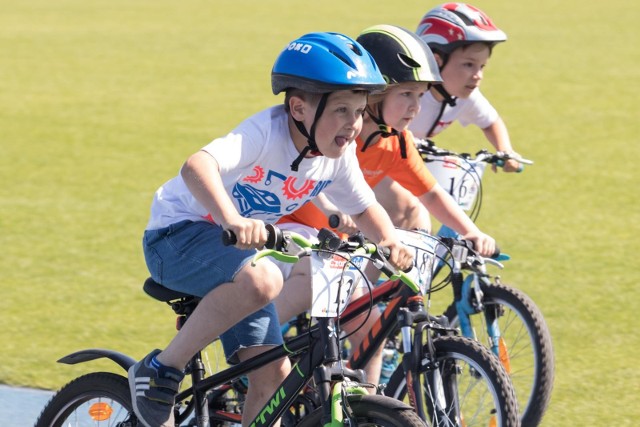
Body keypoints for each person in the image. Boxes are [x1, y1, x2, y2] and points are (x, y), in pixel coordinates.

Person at [128, 32, 414, 427]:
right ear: (298, 108)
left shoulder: (336, 154)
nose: (353, 125)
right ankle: (161, 368)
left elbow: (365, 207)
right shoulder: (264, 133)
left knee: (274, 378)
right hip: (176, 237)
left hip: (238, 255)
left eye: (361, 111)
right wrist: (231, 219)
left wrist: (390, 241)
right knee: (264, 279)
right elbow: (197, 166)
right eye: (342, 110)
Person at [275, 24, 495, 386]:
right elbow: (310, 177)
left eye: (421, 96)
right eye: (406, 94)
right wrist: (336, 212)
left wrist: (470, 231)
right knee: (275, 318)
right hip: (294, 233)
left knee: (370, 333)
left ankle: (369, 407)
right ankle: (247, 344)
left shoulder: (397, 142)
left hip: (338, 246)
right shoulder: (338, 130)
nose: (415, 107)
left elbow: (432, 193)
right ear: (373, 95)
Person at [375, 3, 524, 234]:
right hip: (378, 162)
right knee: (410, 211)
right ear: (436, 61)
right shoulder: (409, 95)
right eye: (468, 65)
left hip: (407, 161)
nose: (478, 76)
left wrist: (505, 150)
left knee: (429, 214)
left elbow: (490, 121)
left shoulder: (464, 95)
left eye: (482, 66)